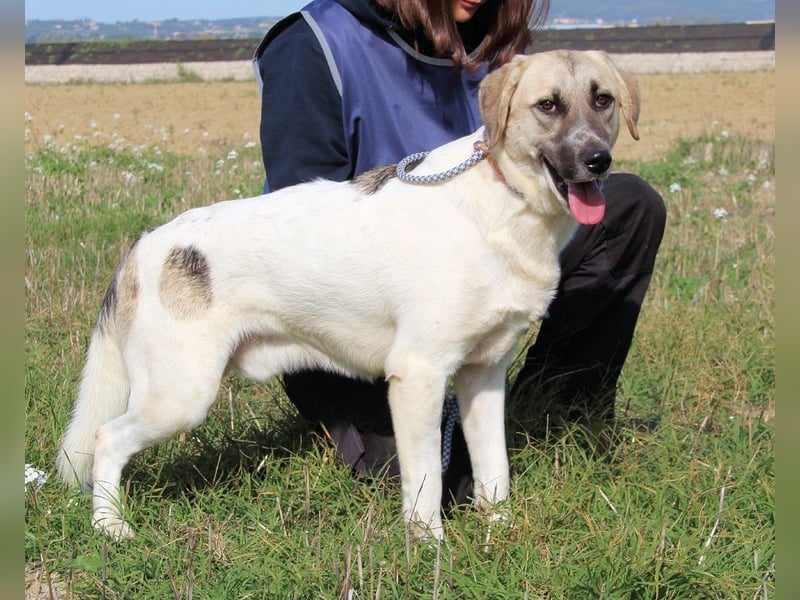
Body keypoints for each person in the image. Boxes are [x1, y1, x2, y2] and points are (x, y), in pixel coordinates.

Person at [253, 0, 666, 506]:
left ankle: (557, 406)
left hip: (476, 288)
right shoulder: (314, 42)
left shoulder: (505, 51)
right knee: (450, 485)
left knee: (629, 206)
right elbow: (300, 229)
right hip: (351, 320)